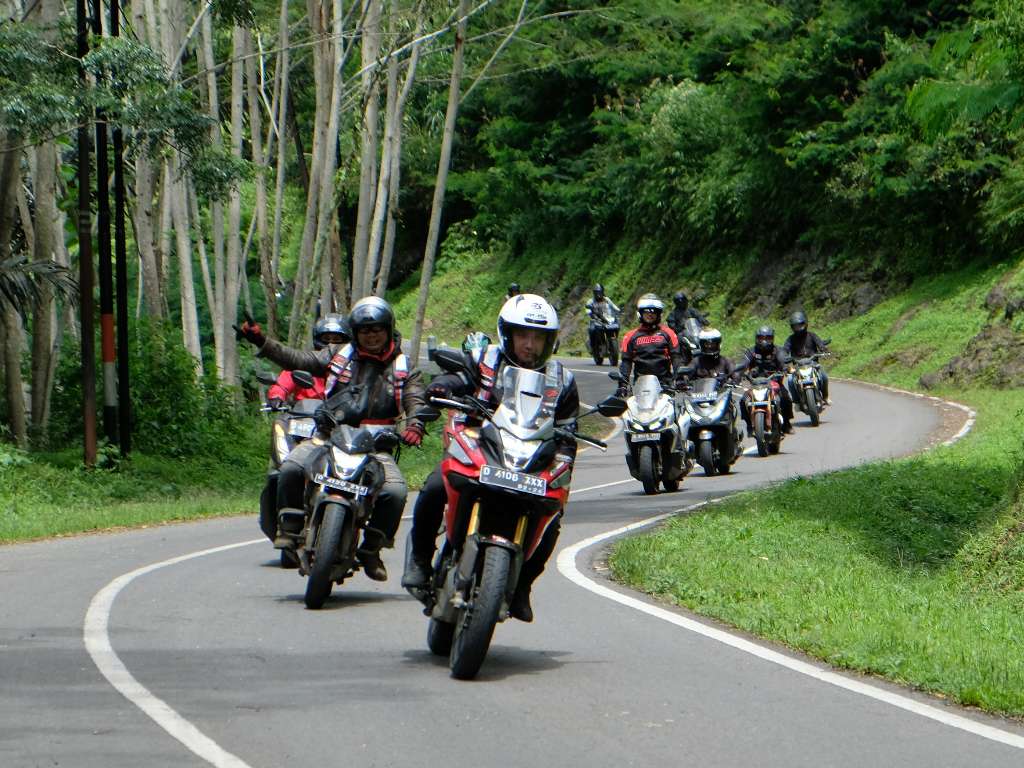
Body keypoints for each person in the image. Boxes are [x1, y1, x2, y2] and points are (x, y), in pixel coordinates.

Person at [401, 295, 580, 623]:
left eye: (538, 337)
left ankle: (523, 585)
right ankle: (420, 562)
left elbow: (569, 431)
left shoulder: (562, 379)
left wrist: (564, 461)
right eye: (523, 335)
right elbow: (458, 380)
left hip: (530, 456)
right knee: (433, 487)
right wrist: (441, 386)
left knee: (554, 516)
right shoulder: (486, 358)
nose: (530, 344)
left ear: (549, 340)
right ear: (507, 333)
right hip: (478, 441)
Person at [237, 297, 426, 582]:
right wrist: (262, 341)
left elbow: (416, 400)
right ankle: (289, 527)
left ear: (388, 330)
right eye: (365, 330)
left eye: (377, 329)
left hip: (376, 447)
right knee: (290, 468)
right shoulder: (338, 355)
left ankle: (372, 548)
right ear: (355, 332)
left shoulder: (403, 367)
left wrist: (416, 424)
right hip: (329, 436)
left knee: (396, 492)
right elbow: (296, 359)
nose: (371, 335)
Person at [265, 314, 348, 408]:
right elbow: (284, 381)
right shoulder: (308, 361)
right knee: (280, 422)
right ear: (318, 339)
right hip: (304, 416)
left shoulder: (353, 364)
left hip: (342, 415)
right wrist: (277, 396)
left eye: (336, 340)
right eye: (326, 339)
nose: (331, 344)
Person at [617, 293, 687, 394]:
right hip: (640, 389)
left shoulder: (669, 333)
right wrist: (622, 385)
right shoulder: (630, 336)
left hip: (665, 388)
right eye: (646, 312)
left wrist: (680, 380)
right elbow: (626, 362)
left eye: (654, 312)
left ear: (659, 314)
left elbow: (676, 359)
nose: (650, 314)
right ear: (640, 313)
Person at [735, 325, 794, 434]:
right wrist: (738, 373)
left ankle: (786, 423)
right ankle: (749, 425)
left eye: (767, 338)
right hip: (755, 384)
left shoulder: (777, 350)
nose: (764, 341)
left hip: (774, 382)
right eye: (761, 338)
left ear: (772, 339)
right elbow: (744, 363)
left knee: (786, 398)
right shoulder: (751, 351)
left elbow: (783, 360)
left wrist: (785, 368)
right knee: (743, 401)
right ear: (757, 338)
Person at [783, 310, 830, 403]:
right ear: (792, 327)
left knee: (824, 376)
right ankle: (796, 401)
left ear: (805, 324)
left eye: (800, 325)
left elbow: (820, 344)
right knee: (790, 380)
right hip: (798, 366)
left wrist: (824, 350)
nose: (798, 328)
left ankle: (825, 397)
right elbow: (785, 350)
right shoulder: (790, 339)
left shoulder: (812, 335)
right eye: (796, 326)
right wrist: (784, 357)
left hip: (813, 363)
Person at [585, 283, 622, 353]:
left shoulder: (606, 299)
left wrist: (619, 310)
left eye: (600, 292)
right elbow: (587, 309)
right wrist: (590, 313)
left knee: (616, 325)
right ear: (594, 293)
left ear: (602, 292)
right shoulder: (591, 301)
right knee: (592, 330)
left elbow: (613, 306)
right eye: (597, 292)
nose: (598, 294)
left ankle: (613, 343)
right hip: (596, 320)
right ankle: (593, 347)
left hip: (608, 319)